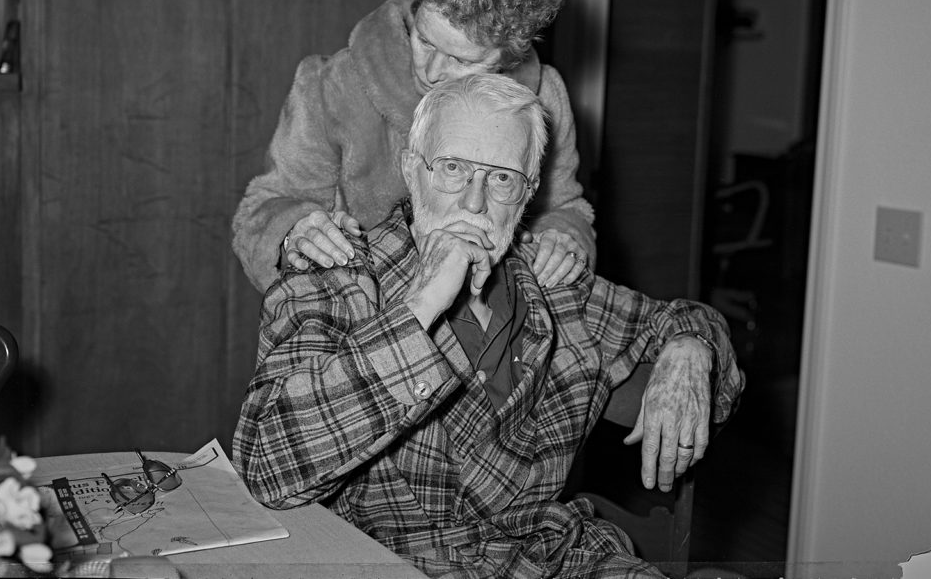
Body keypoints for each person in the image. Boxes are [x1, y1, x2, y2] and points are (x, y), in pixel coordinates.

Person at [234, 75, 744, 579]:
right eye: (453, 168)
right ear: (413, 171)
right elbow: (266, 465)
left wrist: (691, 347)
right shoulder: (332, 277)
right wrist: (421, 303)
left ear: (528, 195)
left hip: (553, 559)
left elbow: (687, 324)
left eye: (501, 178)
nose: (475, 203)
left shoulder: (552, 283)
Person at [232, 0, 595, 295]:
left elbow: (565, 207)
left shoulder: (544, 100)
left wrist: (563, 237)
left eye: (462, 60)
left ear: (510, 56)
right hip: (363, 322)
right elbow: (264, 207)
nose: (432, 71)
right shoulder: (332, 85)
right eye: (425, 41)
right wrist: (294, 231)